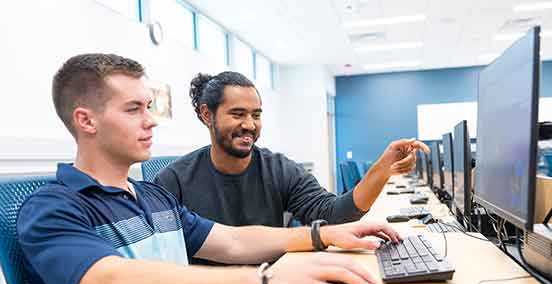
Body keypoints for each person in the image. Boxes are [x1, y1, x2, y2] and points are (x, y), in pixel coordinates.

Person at [17, 53, 401, 284]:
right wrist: (266, 283)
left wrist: (322, 235)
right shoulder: (53, 208)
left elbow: (232, 241)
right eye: (134, 109)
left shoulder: (154, 197)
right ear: (86, 120)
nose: (150, 120)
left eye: (148, 107)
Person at [154, 71, 429, 231]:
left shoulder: (278, 169)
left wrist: (382, 169)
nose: (249, 125)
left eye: (256, 115)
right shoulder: (173, 181)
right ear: (207, 115)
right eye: (238, 114)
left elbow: (333, 214)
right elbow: (166, 261)